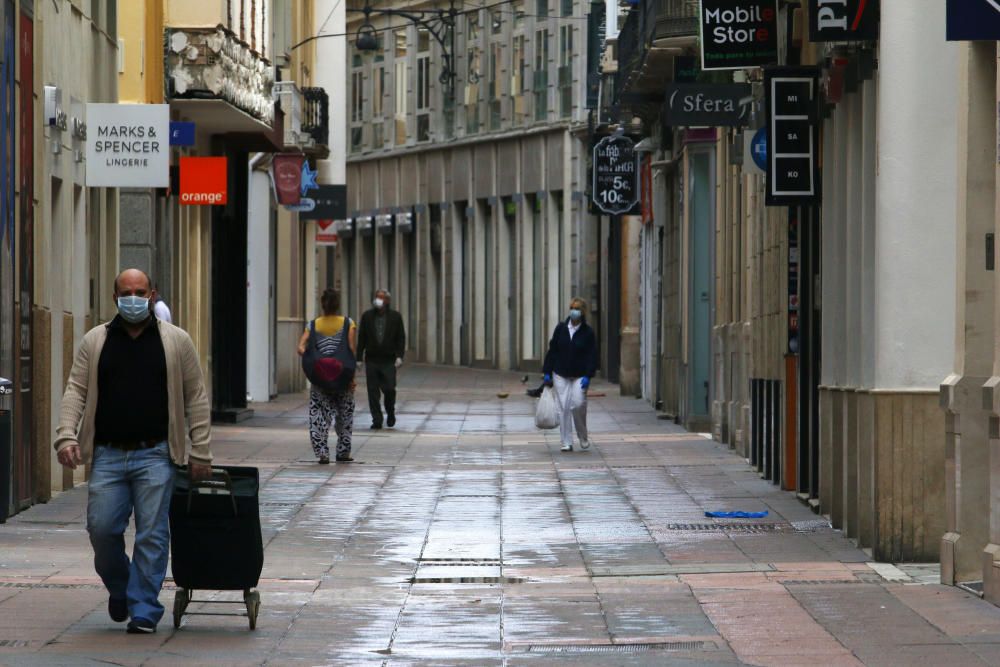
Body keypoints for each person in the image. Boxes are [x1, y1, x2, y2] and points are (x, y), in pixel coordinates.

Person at [53, 268, 212, 634]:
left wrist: (200, 451)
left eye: (141, 291)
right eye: (127, 292)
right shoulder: (96, 341)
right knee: (102, 528)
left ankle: (143, 608)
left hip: (156, 454)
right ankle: (122, 586)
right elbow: (75, 390)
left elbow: (196, 397)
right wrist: (66, 435)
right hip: (107, 455)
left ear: (152, 294)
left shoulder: (176, 341)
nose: (134, 298)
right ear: (115, 298)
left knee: (152, 534)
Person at [297, 288, 357, 463]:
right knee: (344, 415)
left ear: (322, 305)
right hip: (343, 378)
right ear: (338, 305)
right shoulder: (348, 323)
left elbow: (300, 347)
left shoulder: (313, 325)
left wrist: (314, 357)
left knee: (319, 414)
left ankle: (322, 452)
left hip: (320, 379)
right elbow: (351, 351)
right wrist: (352, 378)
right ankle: (343, 452)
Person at [542, 297, 598, 452]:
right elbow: (553, 350)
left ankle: (582, 436)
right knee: (563, 407)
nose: (574, 311)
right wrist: (547, 371)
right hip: (560, 373)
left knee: (578, 404)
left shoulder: (588, 332)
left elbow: (592, 355)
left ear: (583, 312)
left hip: (580, 375)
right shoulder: (560, 329)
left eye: (578, 308)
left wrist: (588, 375)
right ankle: (566, 441)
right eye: (573, 307)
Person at [356, 289, 406, 429]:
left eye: (382, 298)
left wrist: (399, 356)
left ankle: (390, 411)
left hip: (388, 360)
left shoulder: (396, 317)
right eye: (377, 297)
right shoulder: (367, 316)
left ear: (387, 301)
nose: (378, 300)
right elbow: (362, 337)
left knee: (389, 389)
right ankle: (376, 419)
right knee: (373, 391)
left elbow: (401, 338)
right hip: (372, 359)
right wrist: (359, 358)